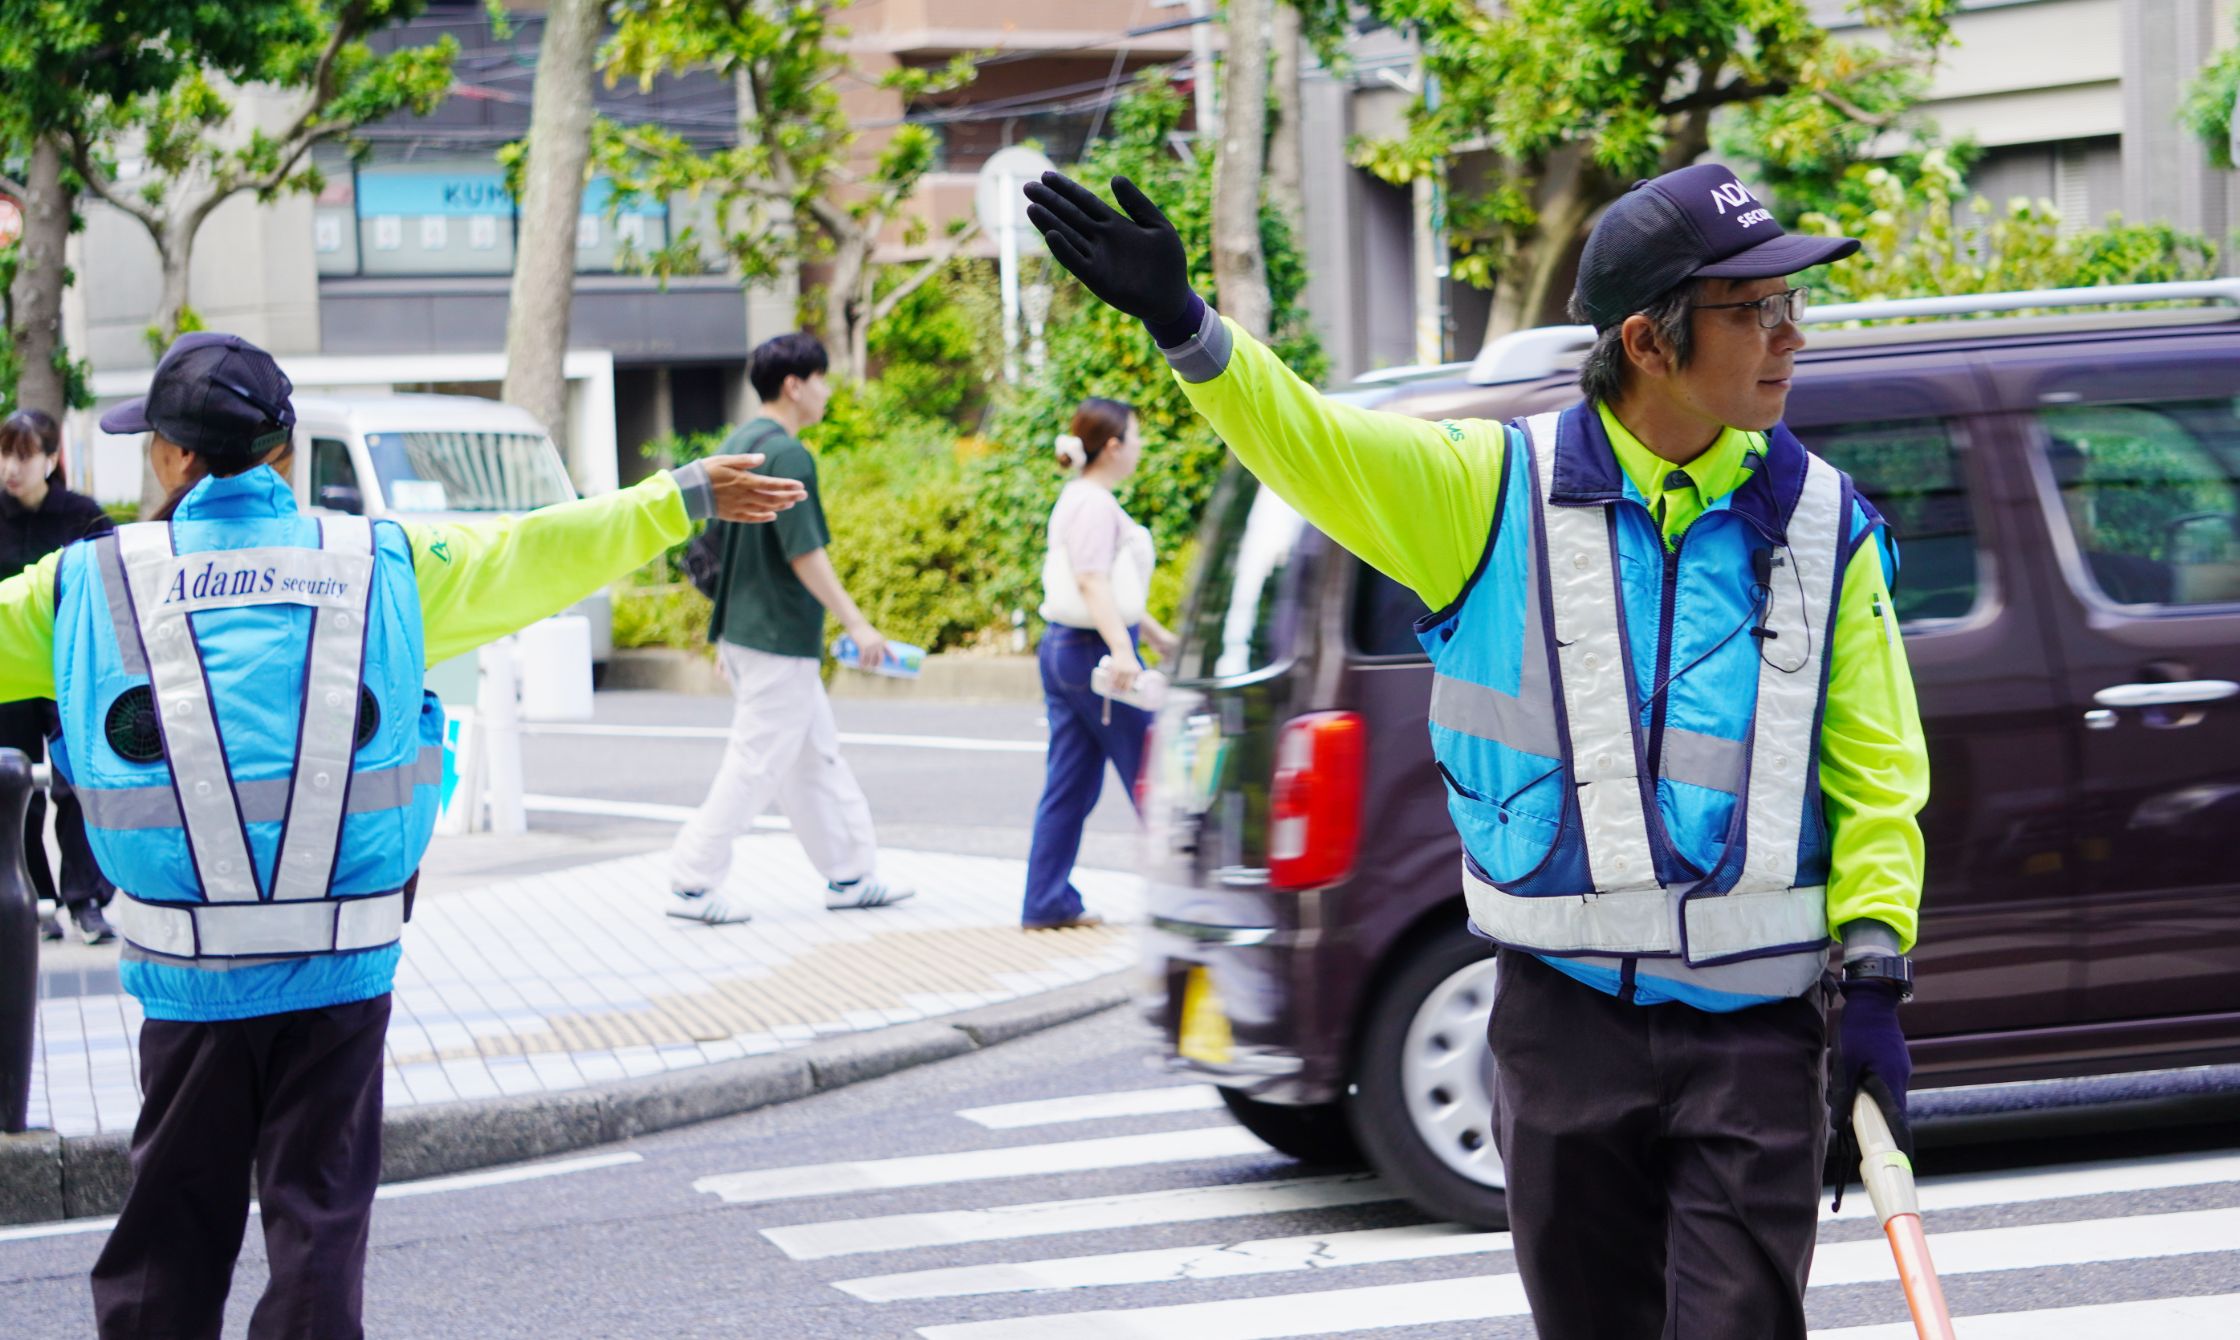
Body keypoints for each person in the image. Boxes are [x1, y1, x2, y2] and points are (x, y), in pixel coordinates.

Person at [1025, 164, 1928, 1336]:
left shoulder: (1824, 525)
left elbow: (1874, 772)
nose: (1788, 336)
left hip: (1756, 1035)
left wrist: (1873, 985)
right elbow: (1312, 442)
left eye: (1785, 306)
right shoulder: (1488, 490)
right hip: (1560, 1029)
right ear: (1649, 341)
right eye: (1751, 309)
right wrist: (1185, 328)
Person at [0, 331, 804, 1338]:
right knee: (318, 1225)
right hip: (342, 966)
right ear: (282, 451)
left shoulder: (87, 587)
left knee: (171, 1230)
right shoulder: (381, 565)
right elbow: (533, 548)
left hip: (188, 977)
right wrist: (678, 494)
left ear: (168, 456)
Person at [666, 331, 915, 925]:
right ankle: (691, 882)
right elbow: (806, 553)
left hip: (749, 631)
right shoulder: (789, 455)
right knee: (757, 762)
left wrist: (722, 631)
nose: (828, 392)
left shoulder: (736, 445)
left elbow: (711, 550)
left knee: (813, 757)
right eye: (822, 379)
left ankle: (850, 874)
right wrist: (860, 624)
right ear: (795, 385)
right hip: (778, 633)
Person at [1023, 398, 1178, 930]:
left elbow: (1106, 586)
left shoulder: (1082, 497)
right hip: (1094, 654)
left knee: (1070, 782)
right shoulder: (1093, 504)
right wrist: (1124, 652)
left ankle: (1046, 900)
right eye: (1135, 438)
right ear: (1112, 446)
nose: (1138, 448)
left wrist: (1152, 635)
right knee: (1152, 772)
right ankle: (1187, 898)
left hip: (1072, 649)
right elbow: (1091, 580)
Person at [0, 409, 119, 944]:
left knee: (76, 786)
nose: (11, 468)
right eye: (4, 453)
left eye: (24, 455)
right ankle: (34, 901)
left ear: (52, 458)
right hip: (8, 678)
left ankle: (83, 901)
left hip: (71, 671)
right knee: (14, 787)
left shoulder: (84, 516)